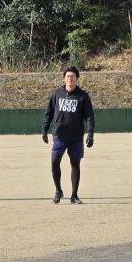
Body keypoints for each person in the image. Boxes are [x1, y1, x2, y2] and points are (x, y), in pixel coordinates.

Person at [42, 66, 94, 204]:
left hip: (76, 137)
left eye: (72, 76)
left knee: (75, 164)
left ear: (77, 78)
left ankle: (74, 195)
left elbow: (89, 116)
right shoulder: (57, 94)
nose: (70, 79)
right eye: (67, 76)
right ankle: (58, 191)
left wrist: (90, 133)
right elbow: (49, 113)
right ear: (64, 78)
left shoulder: (83, 96)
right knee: (54, 162)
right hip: (59, 135)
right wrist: (44, 129)